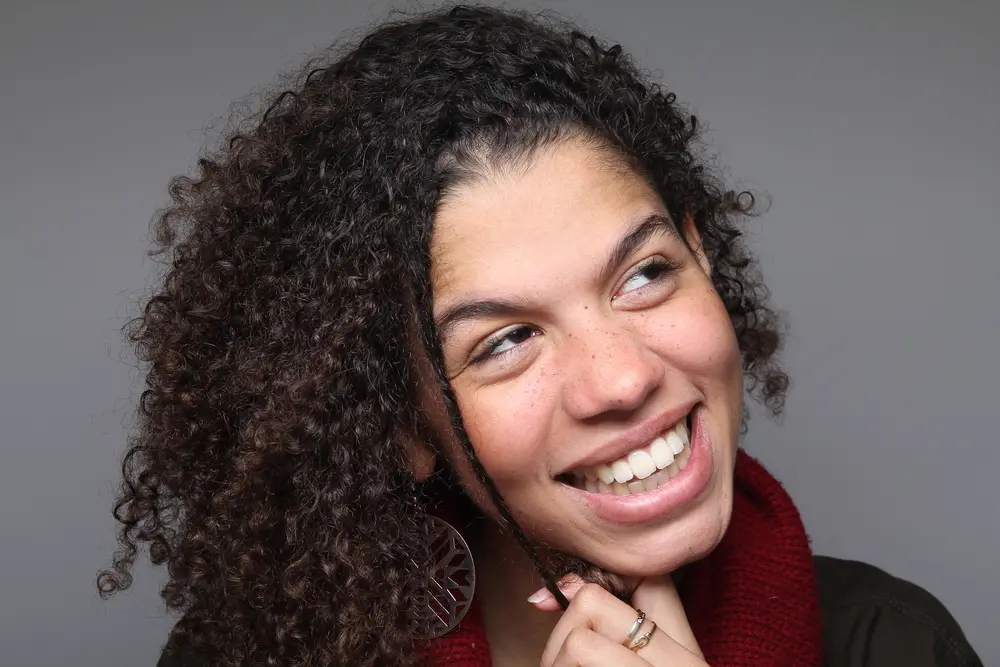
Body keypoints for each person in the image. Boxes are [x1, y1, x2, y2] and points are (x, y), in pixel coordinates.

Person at [98, 5, 982, 667]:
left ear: (702, 255)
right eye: (505, 340)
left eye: (643, 274)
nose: (622, 379)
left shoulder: (892, 643)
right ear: (402, 425)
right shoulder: (250, 653)